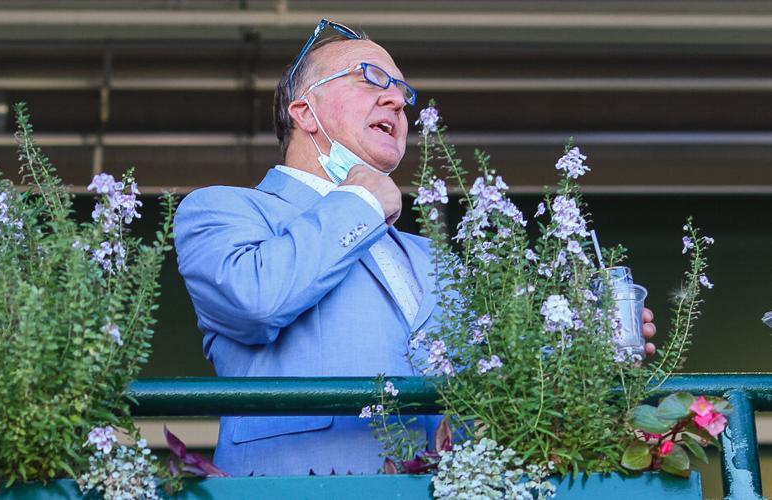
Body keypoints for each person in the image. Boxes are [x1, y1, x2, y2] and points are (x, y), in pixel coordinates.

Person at [173, 20, 657, 476]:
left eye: (403, 94)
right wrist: (359, 201)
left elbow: (489, 377)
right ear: (305, 111)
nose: (396, 101)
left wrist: (586, 352)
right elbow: (255, 300)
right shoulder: (220, 209)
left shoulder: (432, 257)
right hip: (300, 482)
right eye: (372, 79)